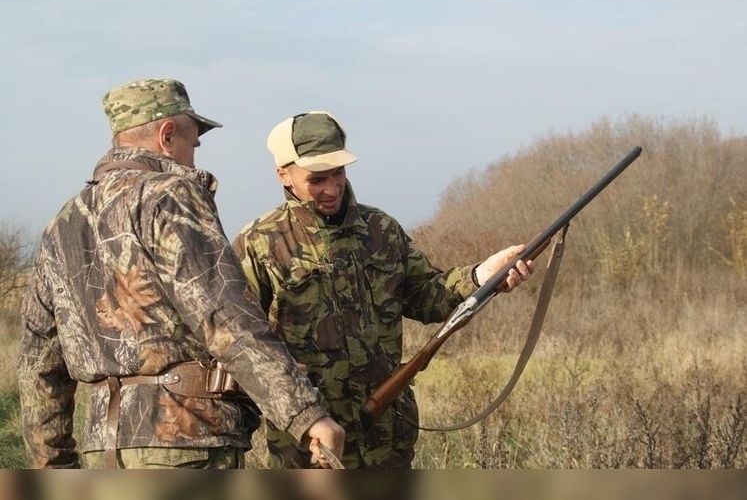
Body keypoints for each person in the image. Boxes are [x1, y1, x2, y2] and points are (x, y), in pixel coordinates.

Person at [16, 79, 344, 469]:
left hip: (105, 454)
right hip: (188, 447)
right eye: (194, 142)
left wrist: (53, 466)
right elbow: (225, 316)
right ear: (167, 134)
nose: (194, 156)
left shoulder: (63, 222)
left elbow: (38, 363)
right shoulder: (169, 196)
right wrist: (307, 414)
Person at [231, 111, 534, 468]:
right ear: (284, 174)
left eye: (338, 174)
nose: (332, 189)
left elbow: (428, 295)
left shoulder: (382, 230)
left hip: (388, 437)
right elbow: (241, 343)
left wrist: (482, 275)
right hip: (310, 447)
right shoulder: (259, 244)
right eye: (317, 179)